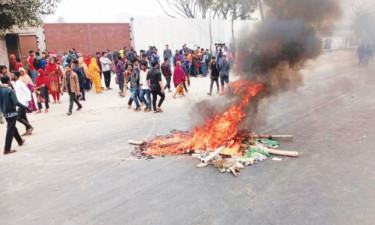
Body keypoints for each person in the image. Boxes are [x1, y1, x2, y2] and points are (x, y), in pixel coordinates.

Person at [0, 76, 28, 155]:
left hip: (5, 113)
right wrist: (25, 107)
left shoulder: (1, 89)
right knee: (10, 130)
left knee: (12, 127)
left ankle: (20, 141)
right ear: (8, 81)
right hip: (12, 112)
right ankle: (7, 149)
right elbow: (16, 102)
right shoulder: (9, 90)